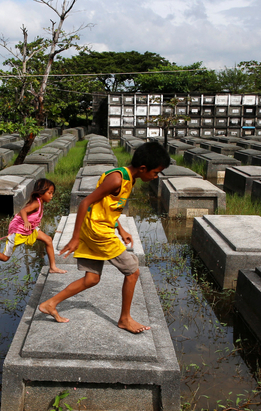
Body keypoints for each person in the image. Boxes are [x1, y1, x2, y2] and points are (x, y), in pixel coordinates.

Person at [38, 141, 170, 333]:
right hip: (98, 232)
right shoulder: (117, 179)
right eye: (156, 172)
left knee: (91, 278)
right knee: (133, 272)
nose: (156, 176)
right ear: (143, 168)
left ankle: (50, 304)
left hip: (98, 227)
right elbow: (85, 203)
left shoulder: (129, 178)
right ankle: (125, 319)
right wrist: (75, 238)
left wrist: (120, 228)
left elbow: (106, 208)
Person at [0, 178, 68, 274]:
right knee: (5, 257)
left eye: (52, 193)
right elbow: (23, 211)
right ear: (40, 193)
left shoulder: (40, 202)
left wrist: (34, 222)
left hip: (29, 229)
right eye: (49, 193)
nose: (51, 196)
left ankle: (53, 267)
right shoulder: (35, 203)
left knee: (48, 239)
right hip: (18, 231)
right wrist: (26, 221)